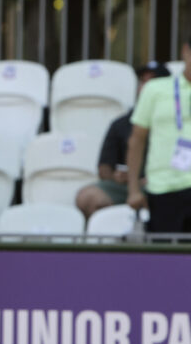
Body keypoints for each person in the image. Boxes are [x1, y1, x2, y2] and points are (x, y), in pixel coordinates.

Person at [75, 62, 170, 218]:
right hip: (124, 187)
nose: (145, 87)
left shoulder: (179, 122)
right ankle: (114, 237)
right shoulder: (120, 124)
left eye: (152, 82)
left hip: (164, 186)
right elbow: (104, 167)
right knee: (88, 197)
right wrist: (117, 177)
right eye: (142, 82)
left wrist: (154, 179)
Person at [127, 37, 191, 232]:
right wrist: (133, 190)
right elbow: (137, 140)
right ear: (185, 51)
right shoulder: (155, 89)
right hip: (162, 187)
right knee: (167, 259)